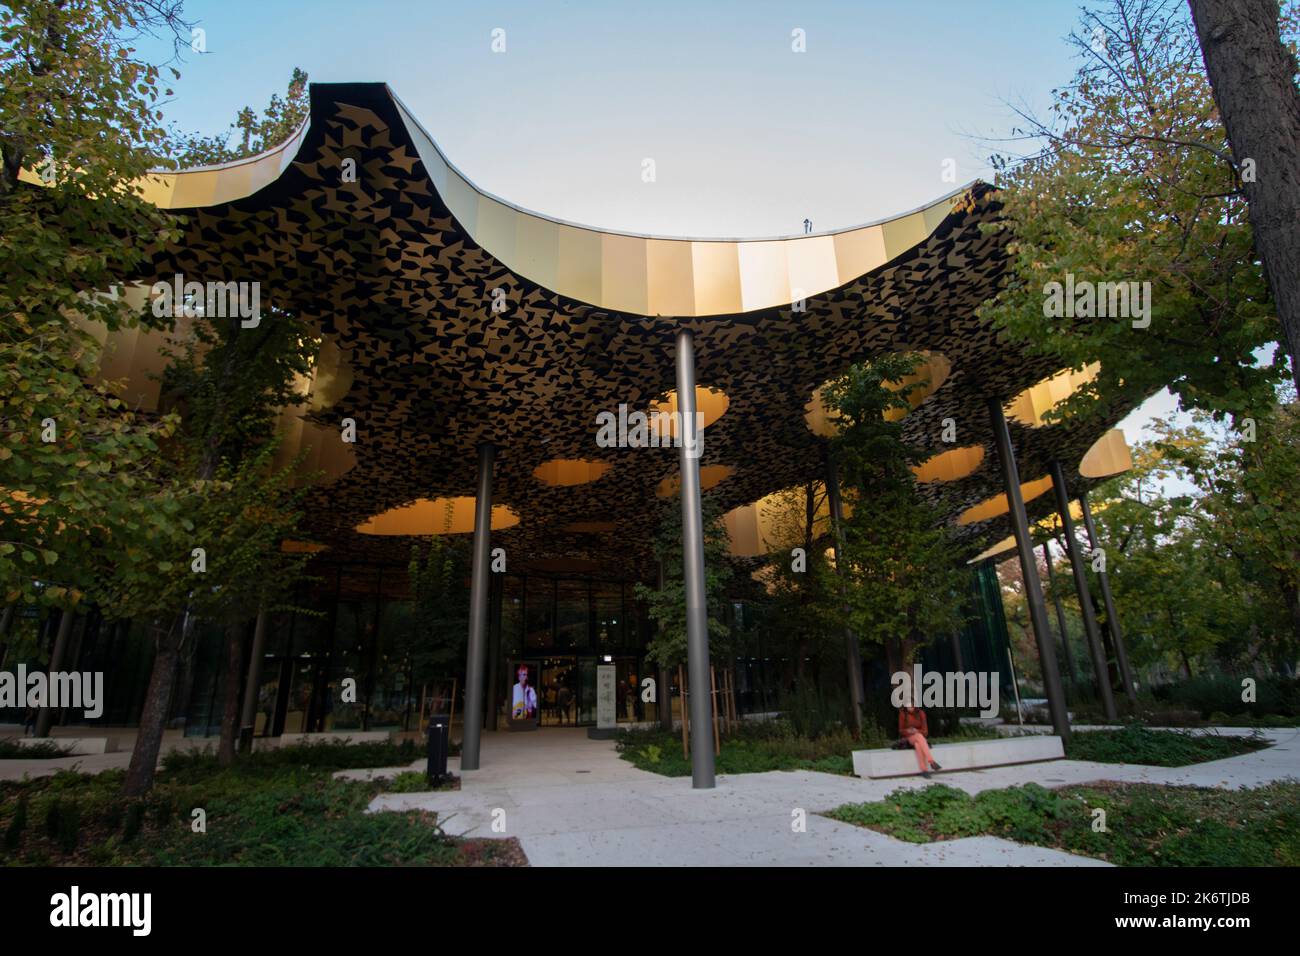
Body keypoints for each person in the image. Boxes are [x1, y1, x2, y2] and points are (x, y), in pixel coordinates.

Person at [898, 704, 942, 777]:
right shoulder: (903, 714)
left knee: (918, 744)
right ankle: (932, 761)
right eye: (908, 706)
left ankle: (924, 771)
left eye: (911, 705)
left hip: (919, 738)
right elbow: (900, 731)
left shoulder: (921, 713)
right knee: (919, 737)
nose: (909, 707)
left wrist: (917, 731)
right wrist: (908, 731)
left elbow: (925, 732)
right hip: (909, 738)